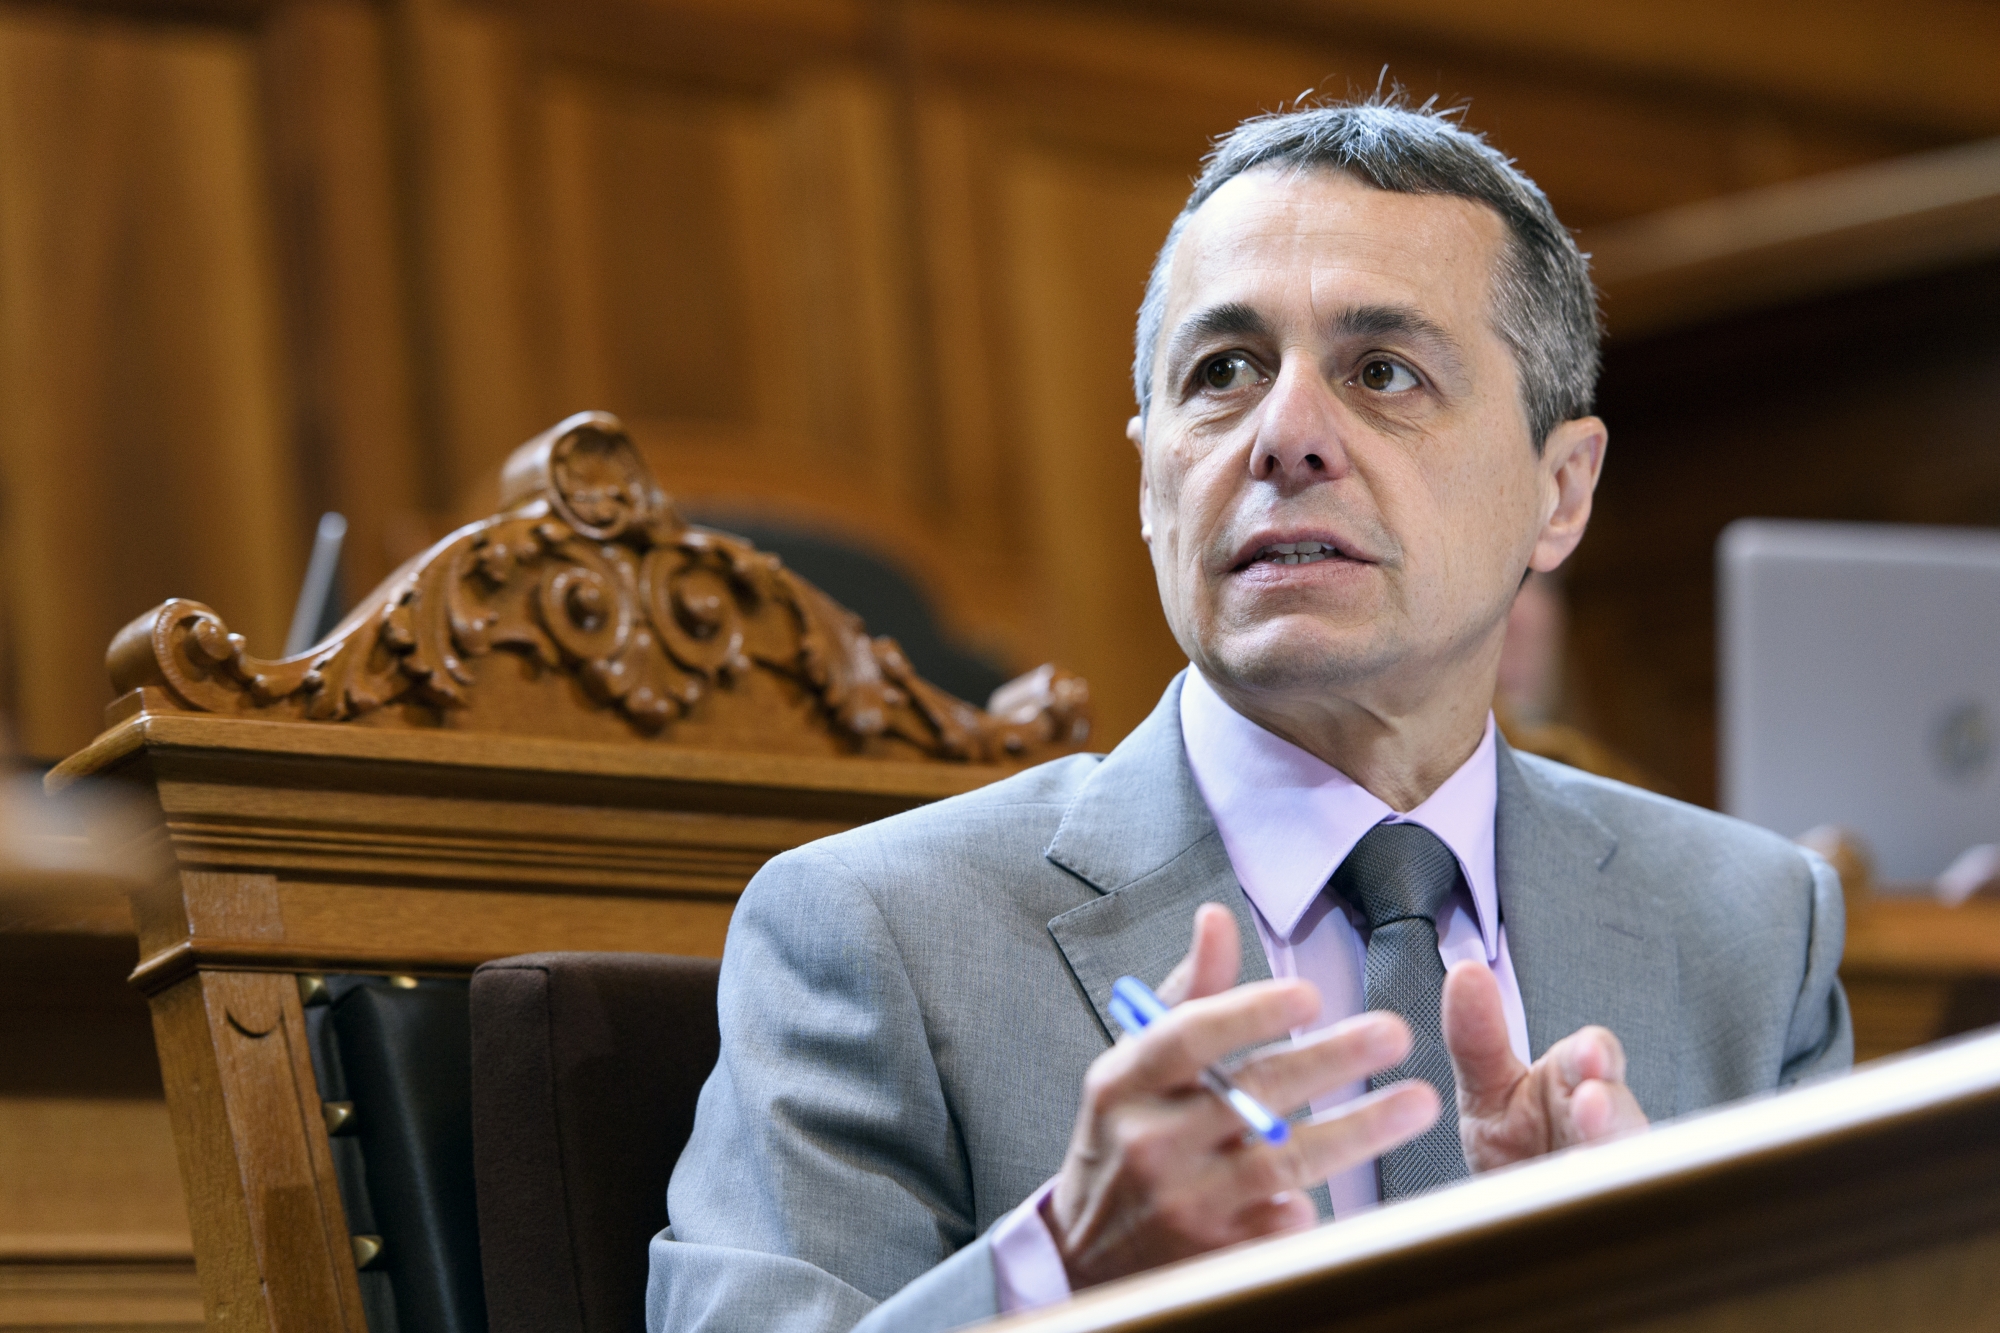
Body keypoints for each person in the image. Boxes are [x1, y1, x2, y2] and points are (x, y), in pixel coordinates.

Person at [646, 97, 1851, 1333]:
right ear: (1149, 475)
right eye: (1221, 374)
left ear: (1558, 491)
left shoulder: (1750, 934)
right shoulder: (878, 934)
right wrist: (1064, 1272)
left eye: (1382, 373)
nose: (1284, 435)